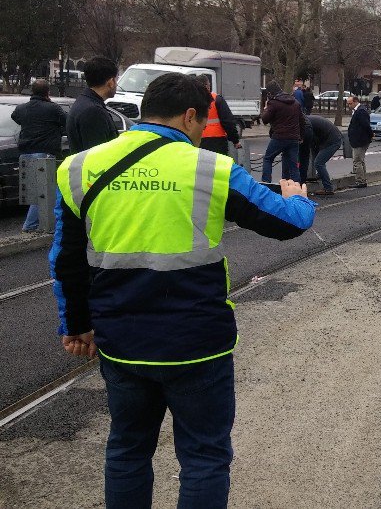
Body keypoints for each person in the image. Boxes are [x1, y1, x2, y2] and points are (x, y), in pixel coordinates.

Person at [50, 72, 315, 509]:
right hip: (198, 344)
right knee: (204, 456)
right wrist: (299, 198)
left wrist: (77, 326)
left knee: (127, 450)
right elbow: (285, 222)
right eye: (201, 124)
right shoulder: (210, 168)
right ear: (190, 116)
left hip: (122, 341)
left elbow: (67, 260)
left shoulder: (80, 167)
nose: (200, 134)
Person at [12, 79, 66, 232]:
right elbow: (66, 121)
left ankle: (37, 223)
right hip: (44, 155)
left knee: (33, 193)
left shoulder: (21, 109)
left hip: (25, 153)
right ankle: (32, 225)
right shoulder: (53, 109)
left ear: (32, 91)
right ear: (48, 92)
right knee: (44, 192)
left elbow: (15, 117)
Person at [67, 57, 119, 152]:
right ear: (111, 82)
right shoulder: (94, 111)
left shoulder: (84, 102)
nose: (116, 84)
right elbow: (98, 154)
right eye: (116, 80)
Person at [260, 81, 306, 183]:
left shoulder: (274, 103)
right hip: (294, 138)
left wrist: (265, 108)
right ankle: (295, 186)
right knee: (292, 165)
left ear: (270, 93)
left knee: (268, 159)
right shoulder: (295, 102)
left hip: (279, 136)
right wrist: (301, 136)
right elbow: (302, 121)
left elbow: (265, 119)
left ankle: (266, 183)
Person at [195, 74, 241, 157]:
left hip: (197, 140)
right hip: (217, 140)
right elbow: (228, 122)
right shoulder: (217, 99)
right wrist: (235, 140)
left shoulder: (190, 101)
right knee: (218, 166)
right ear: (207, 86)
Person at [307, 114, 344, 195]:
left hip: (333, 141)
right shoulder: (306, 120)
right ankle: (320, 175)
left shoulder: (306, 123)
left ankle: (328, 188)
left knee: (319, 163)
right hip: (323, 140)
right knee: (315, 156)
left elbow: (308, 138)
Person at [347, 95, 374, 188]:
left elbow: (365, 125)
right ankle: (362, 179)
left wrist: (370, 134)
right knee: (360, 160)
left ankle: (360, 181)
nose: (349, 106)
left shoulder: (361, 111)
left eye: (350, 103)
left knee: (357, 161)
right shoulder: (358, 110)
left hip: (360, 140)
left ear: (355, 102)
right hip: (360, 139)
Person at [297, 109, 315, 183]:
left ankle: (293, 180)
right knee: (304, 157)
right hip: (308, 131)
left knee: (292, 156)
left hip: (302, 131)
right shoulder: (296, 106)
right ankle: (302, 181)